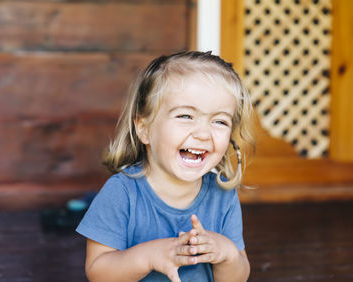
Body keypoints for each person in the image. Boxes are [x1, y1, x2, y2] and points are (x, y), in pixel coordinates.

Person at [76, 51, 254, 282]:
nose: (202, 133)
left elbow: (238, 277)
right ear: (144, 129)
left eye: (219, 121)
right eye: (185, 116)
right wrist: (149, 257)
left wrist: (227, 254)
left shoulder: (223, 195)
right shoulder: (121, 192)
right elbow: (98, 272)